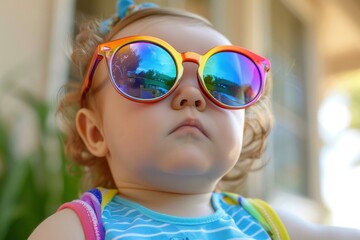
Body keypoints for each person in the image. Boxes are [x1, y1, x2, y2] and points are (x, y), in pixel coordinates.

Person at [29, 0, 360, 239]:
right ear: (96, 132)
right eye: (152, 74)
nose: (193, 95)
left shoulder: (265, 223)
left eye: (222, 81)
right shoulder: (80, 228)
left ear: (243, 128)